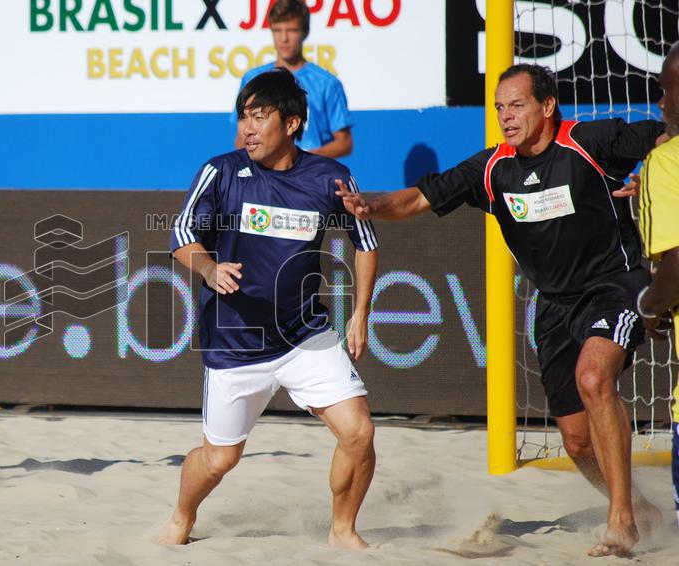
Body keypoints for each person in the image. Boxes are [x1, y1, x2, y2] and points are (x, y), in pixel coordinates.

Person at [339, 63, 665, 557]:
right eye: (498, 108)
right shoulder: (493, 167)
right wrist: (370, 205)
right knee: (576, 443)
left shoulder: (591, 141)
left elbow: (667, 141)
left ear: (547, 106)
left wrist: (654, 179)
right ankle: (640, 507)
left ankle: (621, 521)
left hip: (613, 286)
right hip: (553, 305)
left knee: (595, 379)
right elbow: (418, 199)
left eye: (516, 105)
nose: (506, 117)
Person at [160, 68, 378, 549]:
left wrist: (361, 312)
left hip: (304, 335)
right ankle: (181, 517)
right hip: (236, 343)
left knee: (359, 432)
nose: (248, 128)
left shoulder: (330, 178)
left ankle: (343, 530)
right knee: (220, 460)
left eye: (260, 117)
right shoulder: (221, 171)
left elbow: (364, 240)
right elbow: (180, 236)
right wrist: (207, 267)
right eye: (244, 117)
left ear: (294, 123)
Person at [636, 42, 679, 528]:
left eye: (667, 88)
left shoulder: (666, 163)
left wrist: (650, 305)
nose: (662, 102)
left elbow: (677, 263)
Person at [233, 0, 353, 159]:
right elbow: (242, 136)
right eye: (277, 30)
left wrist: (304, 159)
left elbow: (344, 142)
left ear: (304, 32)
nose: (283, 38)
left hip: (311, 176)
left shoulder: (327, 84)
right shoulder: (253, 79)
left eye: (291, 30)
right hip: (265, 176)